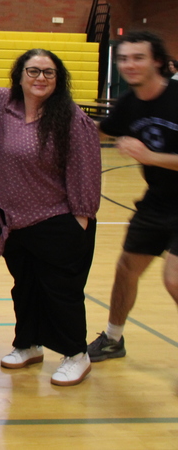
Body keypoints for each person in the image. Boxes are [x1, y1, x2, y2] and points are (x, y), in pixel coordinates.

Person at [0, 50, 101, 386]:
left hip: (57, 219)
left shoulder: (70, 118)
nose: (40, 78)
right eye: (33, 71)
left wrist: (79, 221)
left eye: (49, 73)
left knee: (61, 292)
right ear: (19, 75)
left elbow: (85, 172)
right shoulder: (3, 106)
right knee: (25, 288)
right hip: (13, 221)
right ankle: (28, 345)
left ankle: (76, 354)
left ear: (58, 79)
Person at [89, 31, 178, 364]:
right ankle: (113, 339)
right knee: (127, 268)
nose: (129, 64)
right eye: (123, 58)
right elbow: (98, 131)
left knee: (174, 279)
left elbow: (149, 154)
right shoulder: (129, 103)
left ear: (157, 61)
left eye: (138, 57)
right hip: (157, 201)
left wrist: (150, 156)